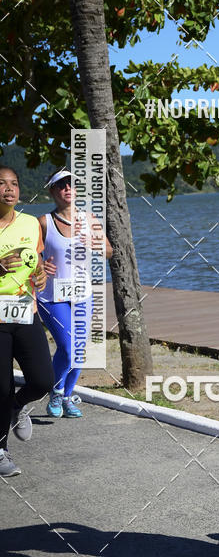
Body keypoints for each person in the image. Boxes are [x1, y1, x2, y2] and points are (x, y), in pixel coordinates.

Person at [37, 170, 112, 418]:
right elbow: (32, 254)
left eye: (71, 184)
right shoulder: (44, 222)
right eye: (61, 185)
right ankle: (56, 392)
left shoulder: (90, 219)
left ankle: (67, 397)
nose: (67, 188)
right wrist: (40, 266)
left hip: (82, 294)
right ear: (52, 191)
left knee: (79, 350)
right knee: (68, 347)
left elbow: (109, 251)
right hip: (52, 296)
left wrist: (97, 245)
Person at [0, 166, 54, 477]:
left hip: (24, 311)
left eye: (14, 183)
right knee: (0, 386)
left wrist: (40, 273)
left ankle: (15, 406)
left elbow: (35, 260)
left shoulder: (31, 223)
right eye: (1, 183)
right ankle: (0, 450)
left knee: (43, 381)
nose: (9, 188)